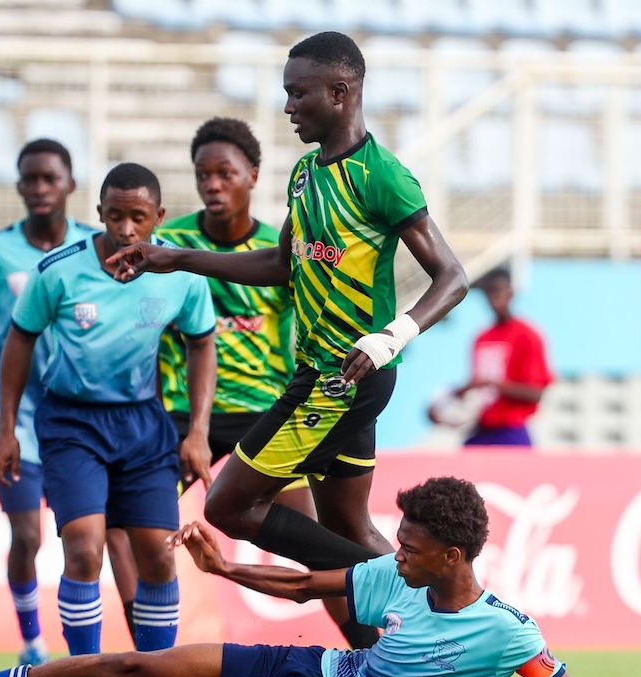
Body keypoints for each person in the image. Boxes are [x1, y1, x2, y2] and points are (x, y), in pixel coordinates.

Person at [0, 476, 629, 677]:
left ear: (453, 557)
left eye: (410, 547)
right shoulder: (395, 578)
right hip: (311, 670)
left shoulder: (506, 632)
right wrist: (222, 566)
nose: (394, 552)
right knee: (132, 665)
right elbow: (309, 585)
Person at [109, 32, 468, 581]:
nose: (287, 107)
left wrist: (391, 336)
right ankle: (409, 628)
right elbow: (281, 266)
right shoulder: (306, 175)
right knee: (351, 529)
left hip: (341, 378)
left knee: (226, 507)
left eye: (299, 94)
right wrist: (177, 257)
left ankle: (411, 590)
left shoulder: (382, 176)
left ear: (341, 92)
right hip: (333, 374)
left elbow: (453, 276)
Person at [0, 162, 217, 677]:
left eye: (139, 217)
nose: (127, 229)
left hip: (143, 425)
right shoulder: (59, 271)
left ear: (158, 217)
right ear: (100, 216)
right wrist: (5, 427)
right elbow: (19, 340)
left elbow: (202, 343)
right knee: (85, 547)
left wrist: (198, 432)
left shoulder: (180, 275)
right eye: (115, 216)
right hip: (72, 424)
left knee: (159, 559)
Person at [156, 117, 374, 648]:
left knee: (308, 540)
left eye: (224, 173)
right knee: (143, 536)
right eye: (202, 174)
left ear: (252, 176)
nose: (212, 184)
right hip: (180, 414)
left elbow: (306, 330)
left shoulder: (285, 251)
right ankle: (145, 661)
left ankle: (370, 650)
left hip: (263, 410)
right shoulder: (168, 243)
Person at [0, 139, 97, 666]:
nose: (40, 189)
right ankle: (32, 643)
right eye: (30, 179)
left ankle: (93, 656)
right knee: (27, 535)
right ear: (20, 187)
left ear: (71, 184)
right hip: (14, 415)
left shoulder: (93, 248)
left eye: (50, 178)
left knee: (86, 539)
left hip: (80, 414)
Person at [430, 266, 552, 447]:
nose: (493, 298)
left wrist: (492, 384)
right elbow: (477, 391)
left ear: (510, 293)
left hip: (511, 430)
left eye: (498, 291)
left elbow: (535, 393)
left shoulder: (528, 335)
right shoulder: (481, 338)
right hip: (479, 429)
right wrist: (454, 397)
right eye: (489, 292)